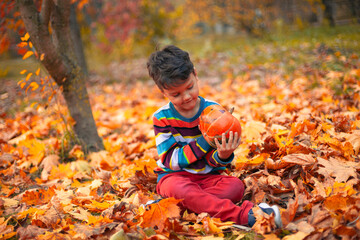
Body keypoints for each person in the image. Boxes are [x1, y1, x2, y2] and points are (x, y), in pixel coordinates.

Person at [147, 45, 282, 228]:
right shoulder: (161, 118)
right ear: (162, 92)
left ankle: (171, 206)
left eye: (190, 87)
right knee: (177, 189)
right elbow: (171, 160)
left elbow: (213, 162)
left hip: (207, 178)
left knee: (235, 187)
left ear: (195, 74)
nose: (186, 97)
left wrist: (223, 155)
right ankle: (247, 216)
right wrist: (204, 141)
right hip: (174, 177)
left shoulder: (214, 111)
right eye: (176, 94)